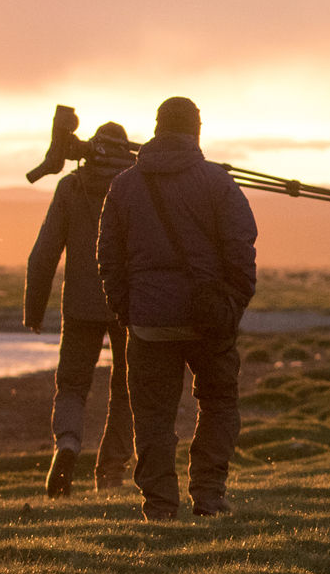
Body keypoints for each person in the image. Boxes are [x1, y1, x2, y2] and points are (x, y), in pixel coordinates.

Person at [97, 97, 258, 521]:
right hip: (209, 321)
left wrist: (125, 309)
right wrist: (232, 305)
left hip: (148, 321)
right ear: (197, 129)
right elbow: (241, 249)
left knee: (151, 415)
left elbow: (108, 256)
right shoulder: (218, 182)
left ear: (156, 128)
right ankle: (208, 496)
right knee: (219, 404)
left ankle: (160, 508)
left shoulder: (124, 185)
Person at [23, 122, 135, 497]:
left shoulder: (71, 187)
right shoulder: (137, 187)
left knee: (71, 386)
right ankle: (111, 471)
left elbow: (43, 255)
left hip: (80, 305)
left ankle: (67, 445)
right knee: (127, 388)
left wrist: (34, 311)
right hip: (129, 306)